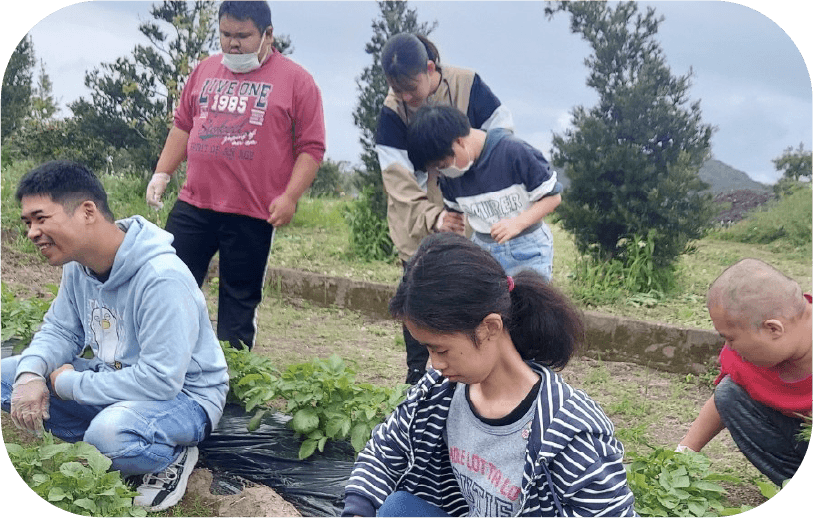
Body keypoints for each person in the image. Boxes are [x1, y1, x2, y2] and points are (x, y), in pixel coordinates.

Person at [342, 232, 636, 518]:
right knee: (398, 509)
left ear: (489, 328)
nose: (434, 365)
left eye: (441, 350)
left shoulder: (568, 433)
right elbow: (383, 452)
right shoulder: (439, 392)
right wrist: (358, 510)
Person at [1, 160, 230, 511]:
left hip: (185, 398)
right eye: (27, 222)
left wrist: (69, 386)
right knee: (9, 376)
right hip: (117, 380)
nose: (32, 232)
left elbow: (161, 381)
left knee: (108, 435)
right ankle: (111, 441)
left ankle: (169, 456)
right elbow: (60, 330)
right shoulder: (79, 266)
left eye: (41, 218)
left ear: (87, 211)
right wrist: (32, 373)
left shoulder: (160, 277)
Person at [145, 0, 326, 350]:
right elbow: (183, 125)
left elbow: (312, 147)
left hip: (252, 211)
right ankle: (162, 358)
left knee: (238, 301)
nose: (233, 44)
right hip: (195, 203)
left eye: (243, 36)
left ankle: (233, 386)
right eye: (226, 34)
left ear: (267, 35)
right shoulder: (205, 70)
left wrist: (290, 197)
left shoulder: (296, 82)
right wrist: (162, 173)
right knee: (167, 281)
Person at [377, 32, 514, 384]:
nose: (406, 97)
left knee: (469, 296)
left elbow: (501, 139)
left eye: (411, 88)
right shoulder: (392, 112)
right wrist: (433, 217)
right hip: (420, 218)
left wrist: (480, 187)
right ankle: (416, 382)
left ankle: (480, 379)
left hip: (474, 212)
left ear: (430, 68)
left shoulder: (468, 85)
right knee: (418, 292)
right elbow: (398, 180)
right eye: (398, 91)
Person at [676, 258, 811, 486]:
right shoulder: (752, 357)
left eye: (731, 338)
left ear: (773, 329)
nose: (729, 348)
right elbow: (727, 396)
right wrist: (681, 455)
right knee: (730, 393)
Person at [407, 104, 562, 281]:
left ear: (458, 142)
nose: (442, 172)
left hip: (527, 248)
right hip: (482, 250)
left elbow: (553, 197)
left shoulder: (514, 152)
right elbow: (455, 216)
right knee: (488, 306)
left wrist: (517, 223)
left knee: (527, 305)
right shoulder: (450, 177)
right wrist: (448, 224)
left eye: (442, 166)